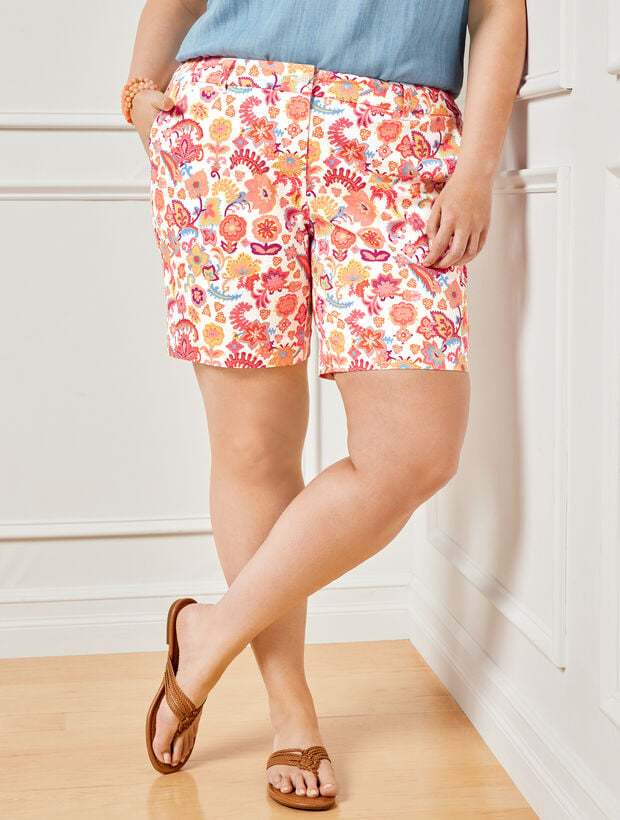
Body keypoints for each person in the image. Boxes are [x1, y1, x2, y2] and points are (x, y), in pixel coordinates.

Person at [123, 0, 526, 810]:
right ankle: (291, 712)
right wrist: (139, 92)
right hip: (231, 121)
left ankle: (210, 633)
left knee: (415, 450)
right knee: (253, 446)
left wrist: (477, 166)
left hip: (397, 132)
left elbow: (498, 10)